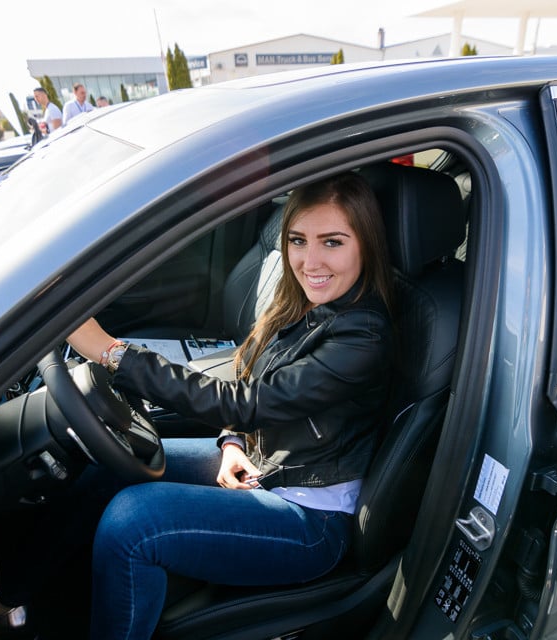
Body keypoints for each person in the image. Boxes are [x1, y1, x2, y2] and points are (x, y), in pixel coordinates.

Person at [66, 171, 395, 639]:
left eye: (333, 242)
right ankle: (15, 605)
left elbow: (252, 401)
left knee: (131, 523)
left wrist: (112, 353)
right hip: (268, 468)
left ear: (367, 245)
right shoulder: (301, 304)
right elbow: (249, 382)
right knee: (107, 462)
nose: (310, 261)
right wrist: (233, 441)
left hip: (313, 519)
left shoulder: (363, 336)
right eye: (298, 240)